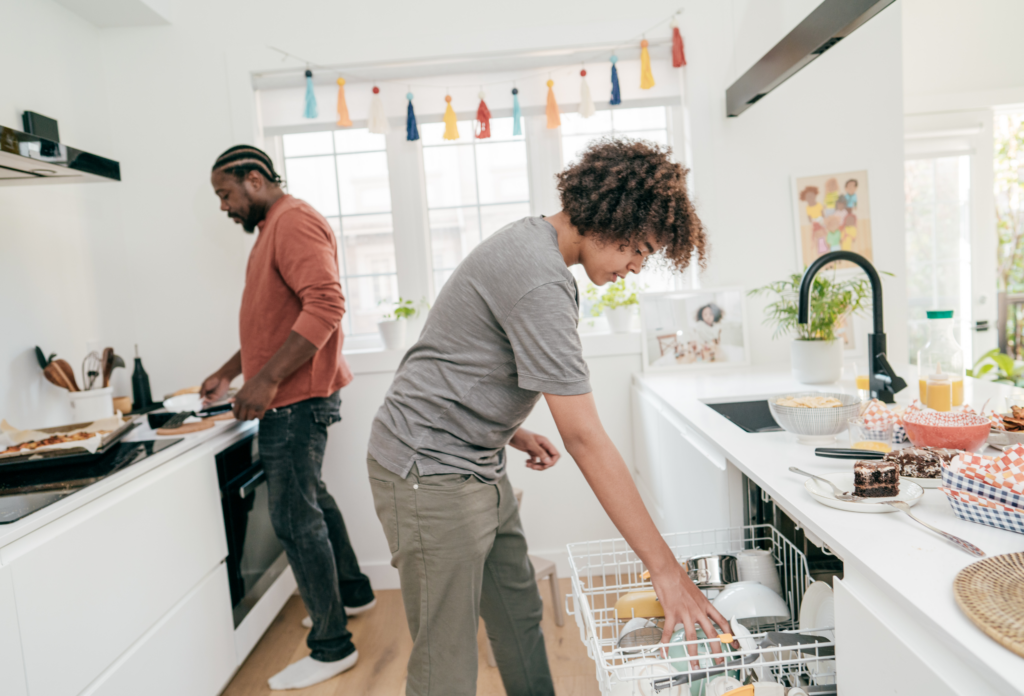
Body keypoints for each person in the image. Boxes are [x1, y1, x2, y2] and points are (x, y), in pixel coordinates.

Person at [367, 138, 734, 696]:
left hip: (477, 460)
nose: (637, 266)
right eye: (639, 248)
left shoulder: (533, 246)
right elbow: (585, 438)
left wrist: (507, 430)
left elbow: (457, 353)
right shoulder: (540, 279)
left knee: (517, 616)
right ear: (611, 219)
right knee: (446, 660)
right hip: (427, 471)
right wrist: (667, 572)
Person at [201, 145, 374, 691]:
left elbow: (325, 305)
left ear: (254, 180)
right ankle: (352, 592)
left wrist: (268, 380)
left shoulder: (293, 221)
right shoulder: (271, 228)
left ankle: (331, 646)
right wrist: (232, 370)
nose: (224, 206)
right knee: (312, 499)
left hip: (295, 400)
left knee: (295, 519)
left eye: (225, 194)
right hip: (291, 394)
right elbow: (272, 321)